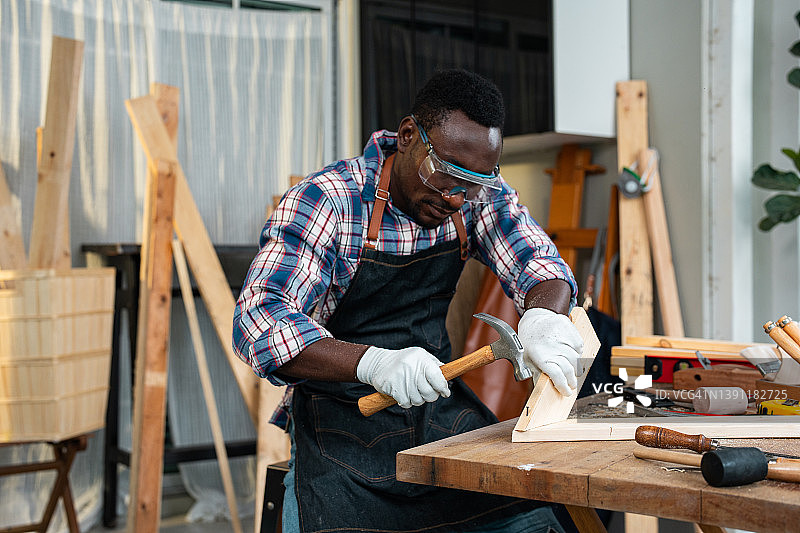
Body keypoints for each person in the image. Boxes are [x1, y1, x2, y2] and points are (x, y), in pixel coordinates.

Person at [233, 69, 584, 532]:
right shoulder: (329, 201)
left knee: (535, 520)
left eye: (474, 184)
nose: (457, 199)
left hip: (435, 408)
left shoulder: (474, 194)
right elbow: (258, 322)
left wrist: (543, 313)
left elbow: (538, 262)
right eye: (447, 176)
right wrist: (372, 363)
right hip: (342, 424)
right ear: (407, 136)